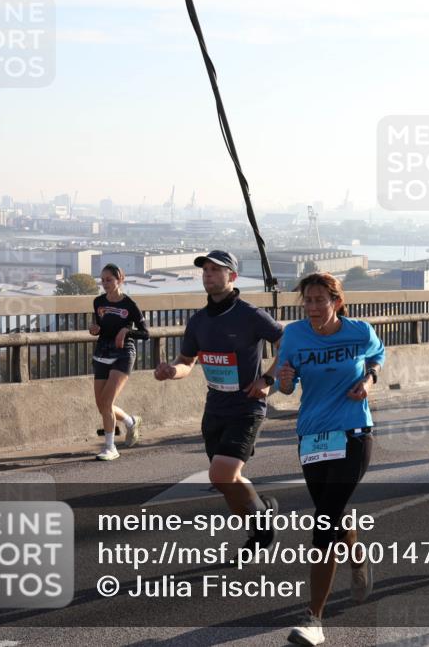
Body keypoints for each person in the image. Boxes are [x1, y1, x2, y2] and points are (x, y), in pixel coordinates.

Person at [277, 272, 386, 646]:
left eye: (321, 299)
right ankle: (356, 553)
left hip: (354, 433)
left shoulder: (358, 330)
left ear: (336, 301)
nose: (313, 307)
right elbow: (284, 380)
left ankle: (314, 620)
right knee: (332, 512)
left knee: (323, 523)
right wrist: (287, 379)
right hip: (311, 436)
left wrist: (369, 380)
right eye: (308, 300)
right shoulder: (293, 335)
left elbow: (377, 356)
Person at [154, 250, 283, 549]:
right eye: (205, 270)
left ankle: (262, 519)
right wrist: (171, 371)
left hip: (247, 407)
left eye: (216, 269)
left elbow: (286, 342)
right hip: (215, 410)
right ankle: (259, 523)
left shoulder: (250, 314)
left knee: (222, 473)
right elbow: (187, 362)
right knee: (226, 483)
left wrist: (267, 379)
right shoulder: (198, 321)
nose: (208, 274)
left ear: (232, 276)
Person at [89, 263, 149, 461]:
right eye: (103, 280)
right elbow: (97, 326)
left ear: (120, 279)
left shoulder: (129, 304)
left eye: (109, 280)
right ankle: (131, 422)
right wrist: (94, 329)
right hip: (102, 352)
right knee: (102, 405)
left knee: (106, 402)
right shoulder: (98, 302)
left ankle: (110, 447)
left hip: (124, 354)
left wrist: (127, 330)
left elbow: (145, 333)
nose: (105, 284)